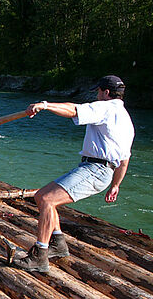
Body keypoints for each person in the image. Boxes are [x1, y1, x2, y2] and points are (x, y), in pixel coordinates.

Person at [14, 75, 135, 272]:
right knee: (41, 196)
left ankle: (40, 256)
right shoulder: (126, 120)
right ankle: (58, 244)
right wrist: (115, 185)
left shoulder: (106, 108)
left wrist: (45, 105)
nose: (97, 95)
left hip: (96, 169)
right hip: (100, 170)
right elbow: (125, 159)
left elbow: (74, 110)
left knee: (47, 200)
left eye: (98, 91)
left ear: (106, 92)